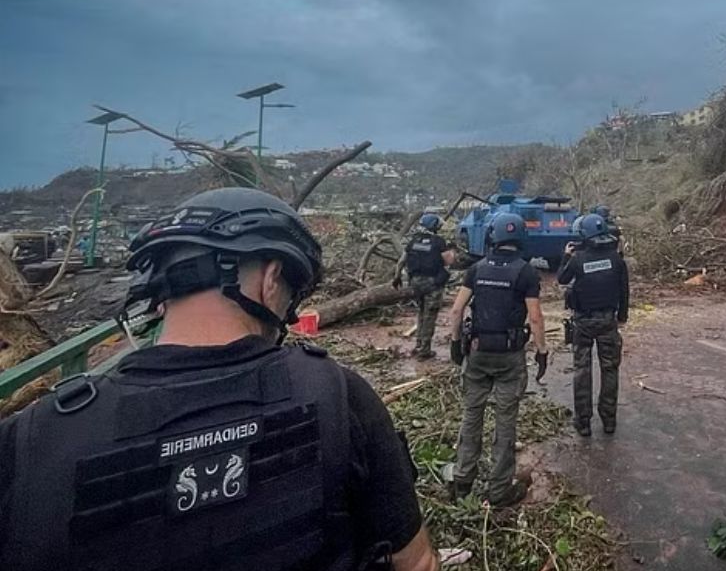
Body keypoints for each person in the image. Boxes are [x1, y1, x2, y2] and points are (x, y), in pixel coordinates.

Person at [0, 188, 438, 571]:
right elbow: (416, 562)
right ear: (271, 281)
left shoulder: (33, 437)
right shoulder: (339, 397)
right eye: (291, 295)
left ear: (158, 294)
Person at [446, 213, 548, 507]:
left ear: (493, 237)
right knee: (506, 421)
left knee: (471, 415)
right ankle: (499, 489)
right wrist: (542, 351)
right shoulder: (526, 272)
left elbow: (456, 311)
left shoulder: (477, 269)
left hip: (477, 354)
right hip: (509, 358)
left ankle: (463, 482)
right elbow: (536, 318)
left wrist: (455, 343)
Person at [557, 213, 629, 437]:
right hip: (608, 320)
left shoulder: (578, 259)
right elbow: (624, 291)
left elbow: (561, 278)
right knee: (610, 369)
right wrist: (622, 317)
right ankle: (609, 420)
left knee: (582, 370)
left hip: (583, 322)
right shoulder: (616, 259)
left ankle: (584, 422)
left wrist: (565, 257)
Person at [401, 213, 455, 360]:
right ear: (435, 226)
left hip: (416, 284)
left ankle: (418, 345)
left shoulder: (413, 241)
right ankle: (425, 350)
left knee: (421, 313)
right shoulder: (438, 242)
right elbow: (449, 261)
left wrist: (396, 277)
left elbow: (401, 262)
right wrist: (451, 250)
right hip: (433, 284)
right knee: (430, 315)